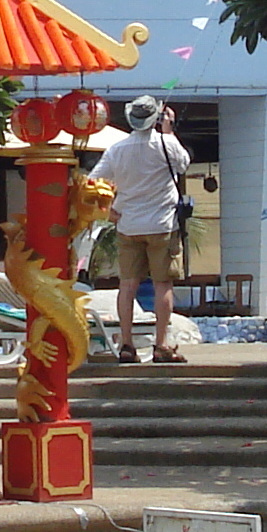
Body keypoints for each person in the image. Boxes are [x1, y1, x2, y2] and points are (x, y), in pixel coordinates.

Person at [95, 96, 189, 363]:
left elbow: (93, 181)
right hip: (162, 224)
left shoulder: (116, 149)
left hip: (127, 223)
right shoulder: (167, 143)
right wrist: (168, 130)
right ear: (156, 119)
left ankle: (126, 344)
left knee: (127, 286)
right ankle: (161, 344)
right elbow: (183, 165)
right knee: (163, 284)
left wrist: (108, 210)